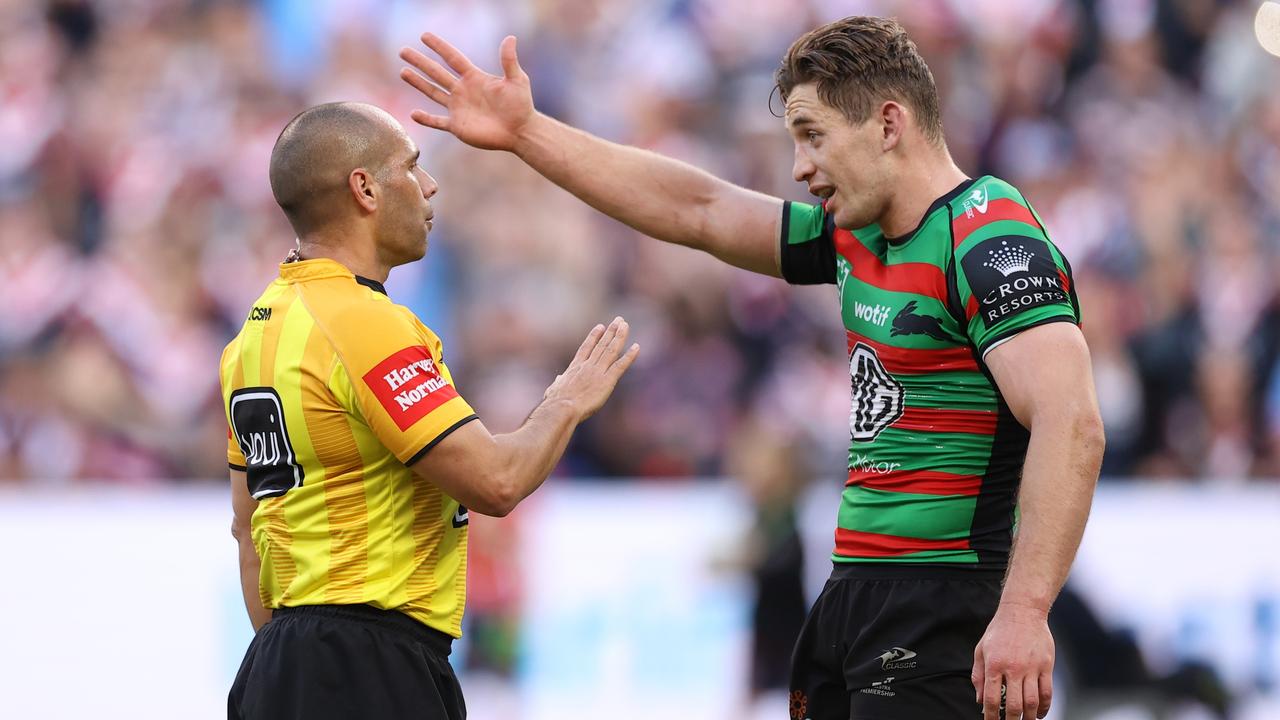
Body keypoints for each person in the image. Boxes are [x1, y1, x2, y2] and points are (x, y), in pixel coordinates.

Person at [399, 15, 1105, 720]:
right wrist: (528, 133)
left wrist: (1024, 611)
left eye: (813, 135)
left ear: (889, 124)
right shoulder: (857, 239)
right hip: (854, 593)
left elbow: (1071, 423)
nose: (800, 167)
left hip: (946, 600)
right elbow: (699, 210)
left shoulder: (987, 235)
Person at [219, 101, 638, 719]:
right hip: (372, 663)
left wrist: (297, 668)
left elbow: (247, 531)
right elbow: (496, 481)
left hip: (277, 668)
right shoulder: (365, 322)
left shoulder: (253, 337)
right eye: (411, 166)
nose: (430, 184)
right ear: (364, 188)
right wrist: (566, 402)